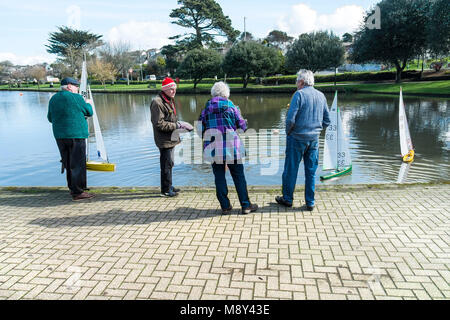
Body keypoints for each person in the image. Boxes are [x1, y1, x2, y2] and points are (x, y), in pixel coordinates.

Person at [198, 81, 258, 215]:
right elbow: (243, 127)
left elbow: (199, 130)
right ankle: (246, 206)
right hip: (232, 148)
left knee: (219, 177)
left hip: (213, 149)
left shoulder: (206, 110)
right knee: (239, 176)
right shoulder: (232, 107)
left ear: (213, 94)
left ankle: (225, 206)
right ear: (226, 94)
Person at [275, 70, 330, 211]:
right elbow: (327, 120)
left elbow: (290, 119)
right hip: (314, 140)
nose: (296, 84)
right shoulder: (321, 96)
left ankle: (287, 199)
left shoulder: (299, 94)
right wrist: (316, 130)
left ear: (301, 82)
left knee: (290, 170)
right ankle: (310, 202)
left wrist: (289, 133)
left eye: (296, 81)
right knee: (311, 172)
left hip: (297, 138)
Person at [47, 77, 95, 201]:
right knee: (78, 163)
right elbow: (89, 112)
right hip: (76, 135)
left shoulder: (53, 99)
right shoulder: (77, 98)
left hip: (60, 136)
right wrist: (88, 103)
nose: (77, 88)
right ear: (69, 86)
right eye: (76, 86)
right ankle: (78, 192)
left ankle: (73, 188)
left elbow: (50, 118)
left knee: (68, 162)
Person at [150, 77, 192, 197]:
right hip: (164, 140)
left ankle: (169, 185)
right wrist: (177, 125)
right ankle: (166, 190)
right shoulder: (157, 102)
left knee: (170, 163)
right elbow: (158, 123)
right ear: (165, 90)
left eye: (175, 89)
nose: (174, 91)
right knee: (166, 164)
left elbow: (171, 118)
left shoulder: (169, 99)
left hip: (171, 138)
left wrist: (181, 126)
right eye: (171, 89)